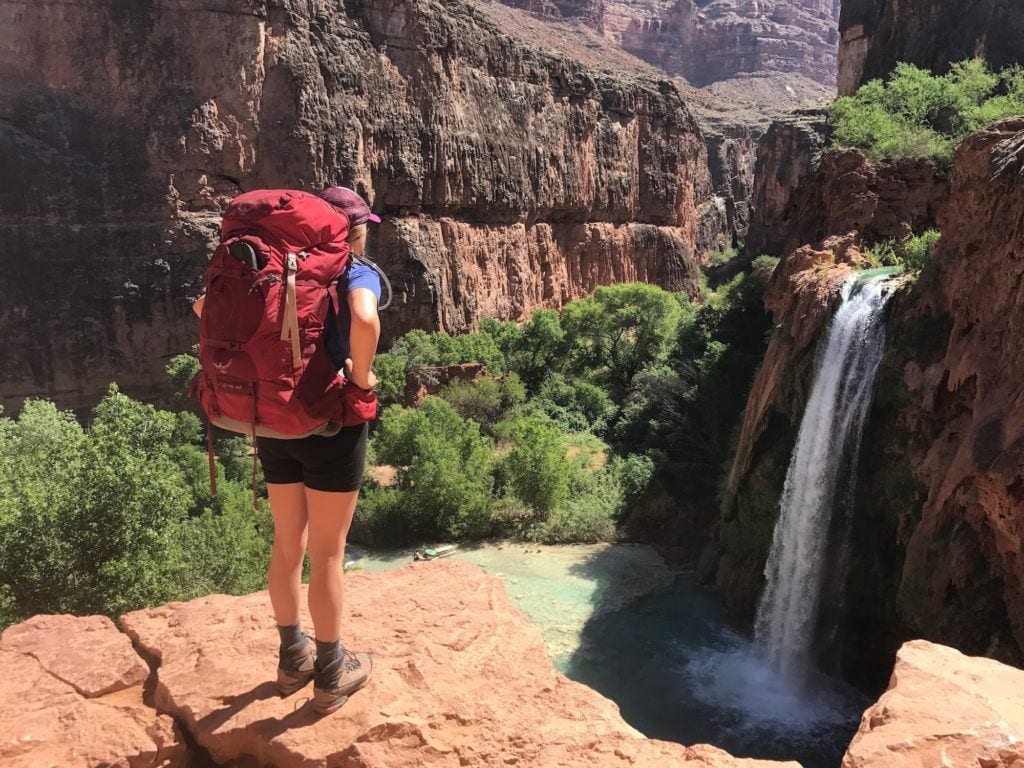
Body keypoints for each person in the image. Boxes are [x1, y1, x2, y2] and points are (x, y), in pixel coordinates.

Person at [192, 186, 382, 715]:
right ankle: (331, 671)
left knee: (286, 546)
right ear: (353, 228)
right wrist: (361, 381)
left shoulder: (267, 260)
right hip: (327, 422)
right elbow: (365, 319)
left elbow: (204, 307)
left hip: (268, 417)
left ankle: (291, 657)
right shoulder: (352, 267)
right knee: (327, 553)